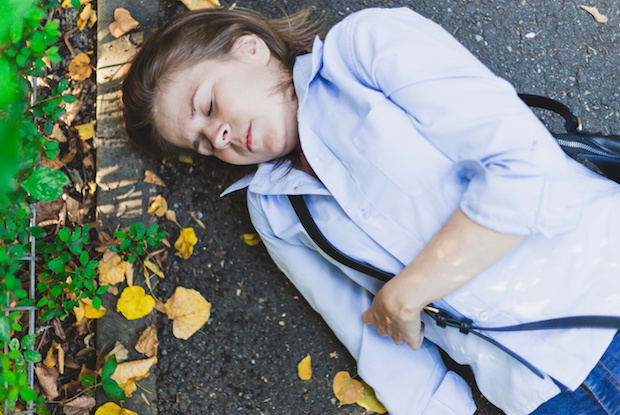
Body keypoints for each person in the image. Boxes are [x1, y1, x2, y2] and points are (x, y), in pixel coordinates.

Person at [121, 6, 620, 415]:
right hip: (543, 393)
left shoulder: (363, 50)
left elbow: (526, 171)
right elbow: (365, 327)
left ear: (247, 46)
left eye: (206, 107)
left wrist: (408, 293)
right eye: (204, 145)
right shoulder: (274, 210)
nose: (218, 137)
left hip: (603, 283)